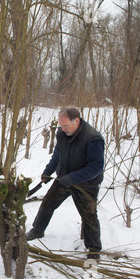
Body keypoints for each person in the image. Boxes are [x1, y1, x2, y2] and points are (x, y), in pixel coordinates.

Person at [26, 106, 105, 260]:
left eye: (66, 126)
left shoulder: (93, 138)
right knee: (48, 203)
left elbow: (96, 167)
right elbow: (57, 155)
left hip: (86, 184)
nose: (63, 129)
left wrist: (73, 178)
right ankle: (37, 230)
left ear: (77, 120)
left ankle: (94, 249)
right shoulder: (62, 134)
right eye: (61, 126)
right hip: (64, 178)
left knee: (89, 215)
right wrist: (48, 172)